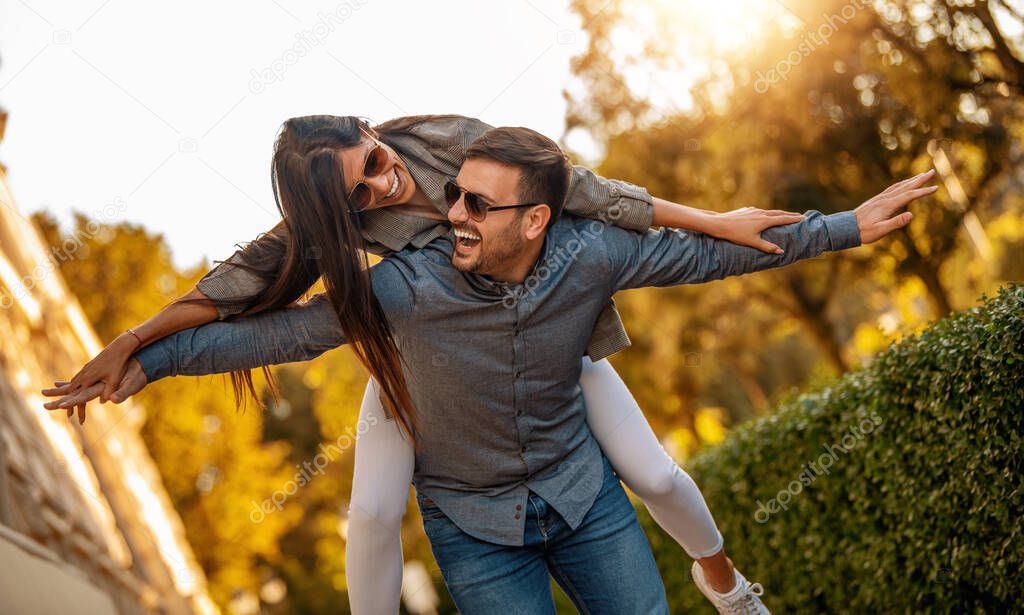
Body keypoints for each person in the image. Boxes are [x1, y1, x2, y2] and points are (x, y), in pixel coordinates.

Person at [46, 127, 935, 613]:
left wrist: (839, 225)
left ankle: (724, 580)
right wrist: (144, 353)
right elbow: (262, 322)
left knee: (657, 468)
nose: (432, 204)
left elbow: (647, 225)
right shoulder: (387, 277)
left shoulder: (515, 199)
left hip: (565, 419)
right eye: (359, 193)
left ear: (534, 217)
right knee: (371, 516)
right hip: (425, 395)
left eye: (474, 202)